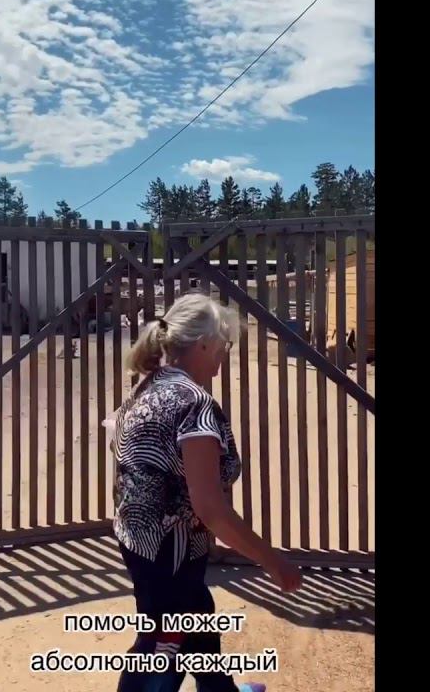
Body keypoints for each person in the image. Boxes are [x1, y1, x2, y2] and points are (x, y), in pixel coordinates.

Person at [110, 290, 301, 692]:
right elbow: (210, 508)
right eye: (224, 344)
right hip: (171, 551)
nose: (225, 354)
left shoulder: (147, 387)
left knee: (197, 621)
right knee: (163, 648)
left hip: (141, 541)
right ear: (202, 344)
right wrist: (273, 562)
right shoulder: (194, 404)